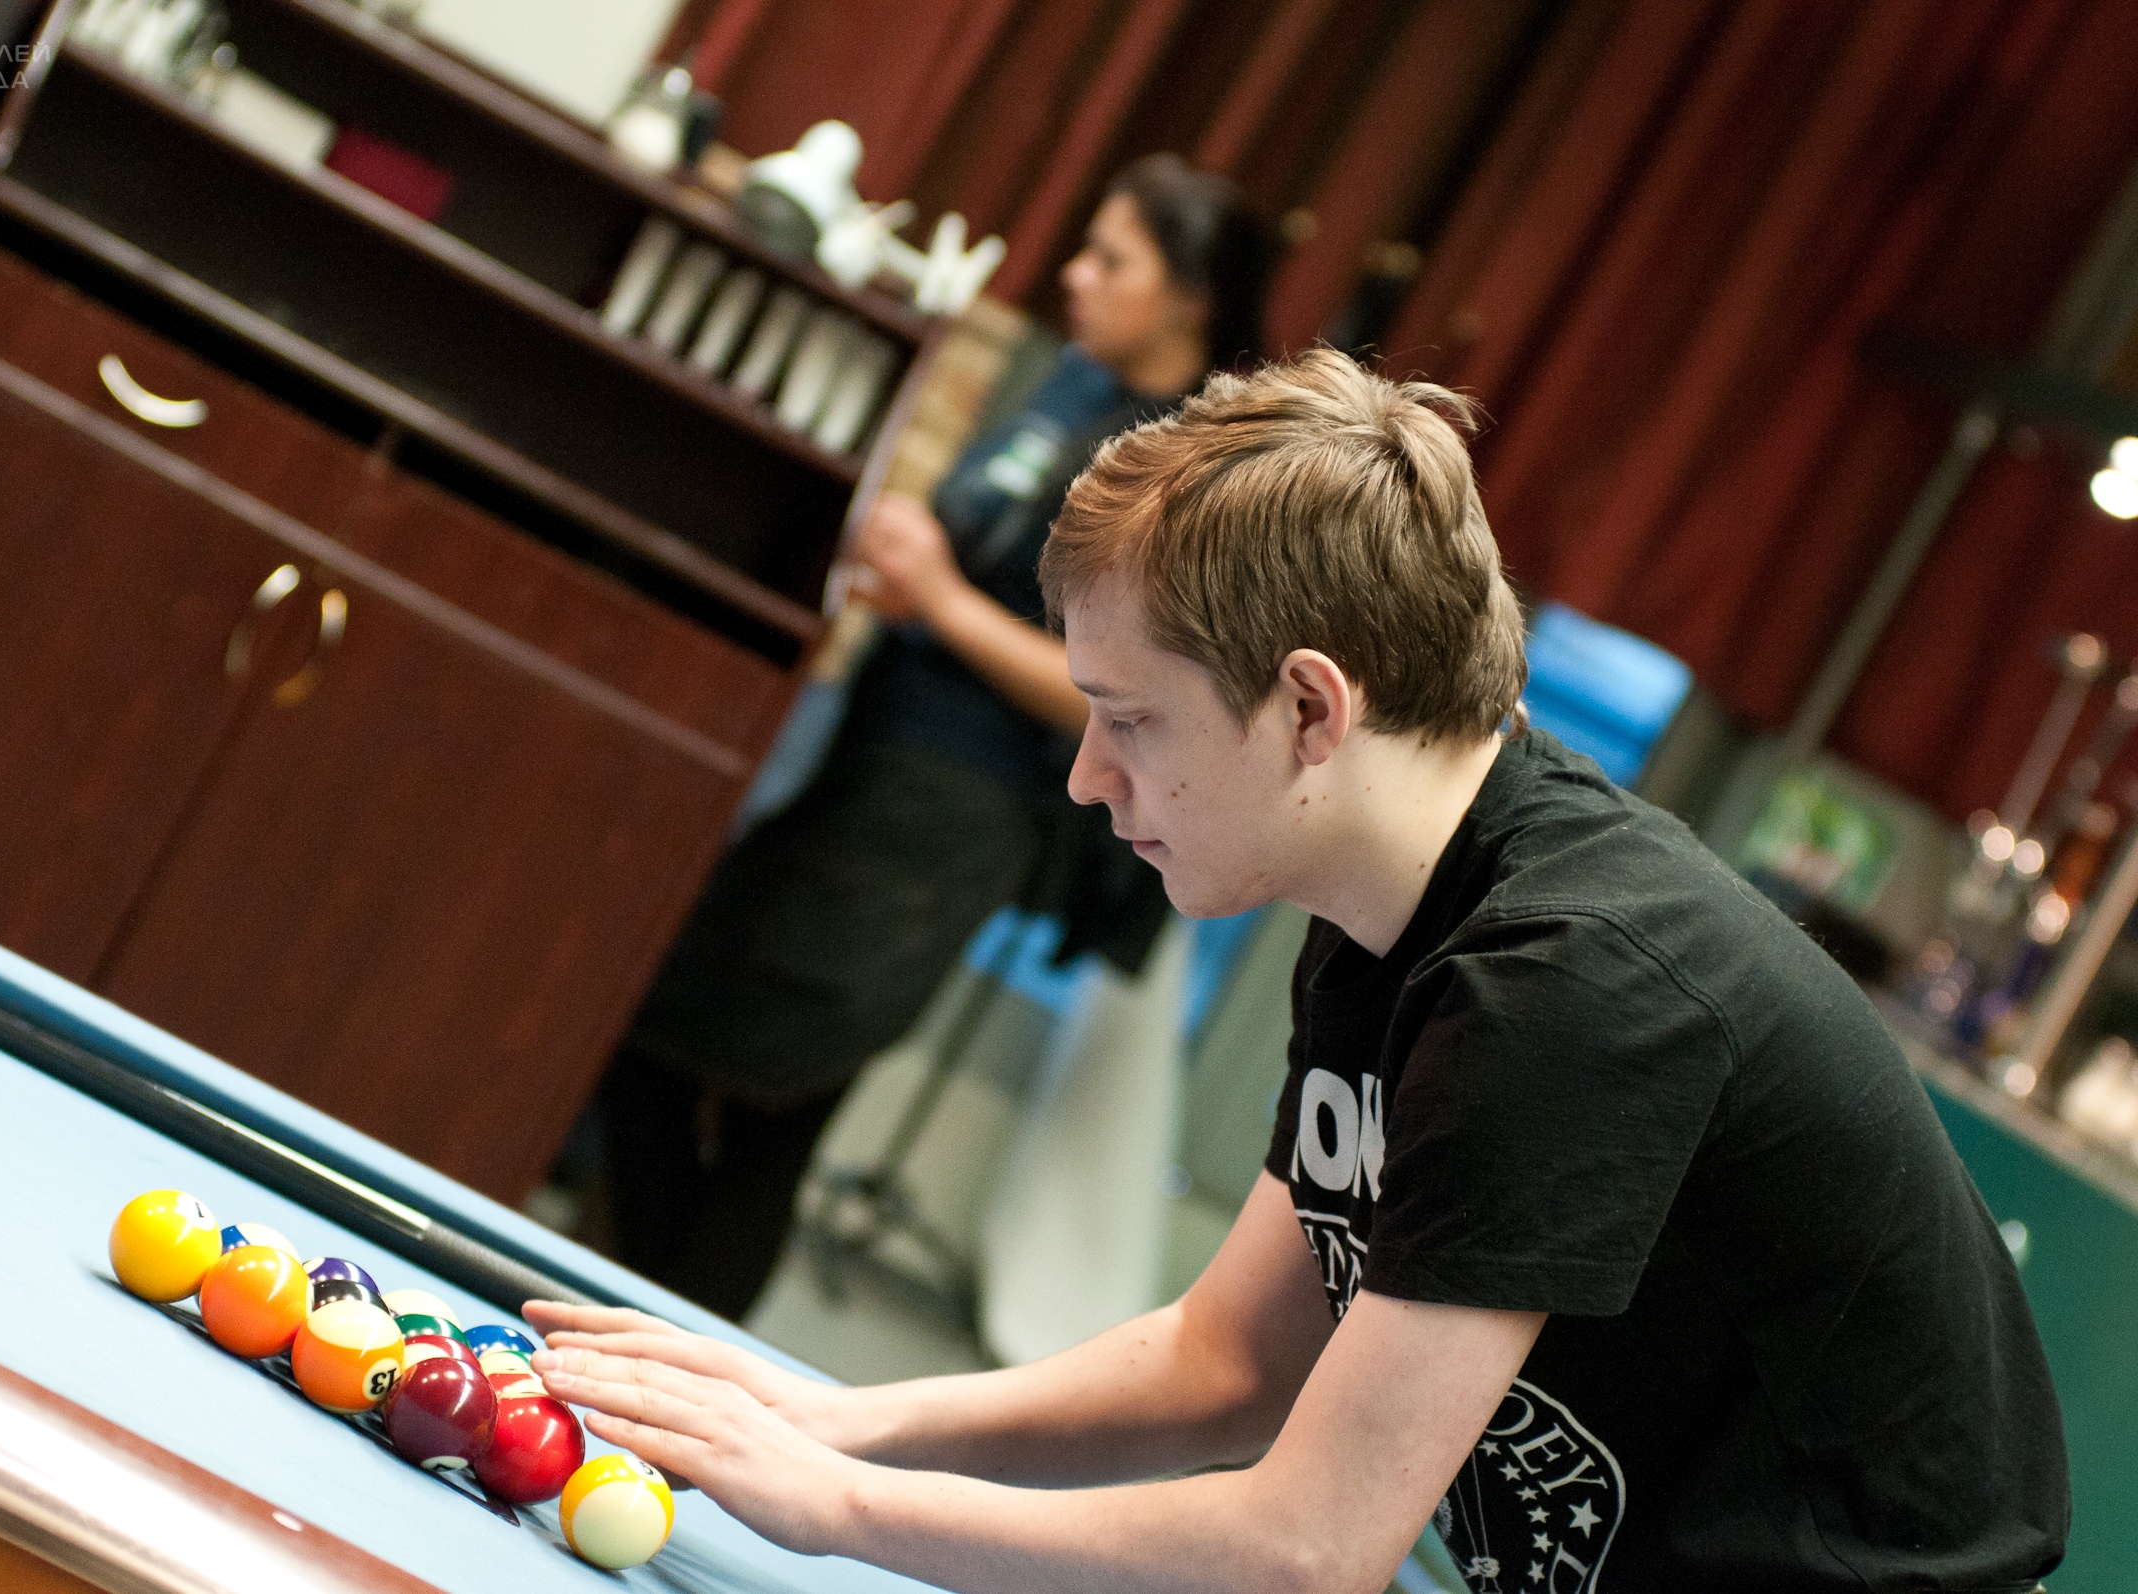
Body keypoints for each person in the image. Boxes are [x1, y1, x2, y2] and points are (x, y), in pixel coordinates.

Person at [527, 349, 2070, 1591]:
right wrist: (839, 1419)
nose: (1087, 777)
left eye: (1131, 719)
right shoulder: (1385, 912)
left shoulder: (1575, 985)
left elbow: (1306, 1547)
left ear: (1313, 709)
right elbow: (1229, 1359)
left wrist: (837, 1506)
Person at [593, 154, 1276, 1320]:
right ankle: (644, 1335)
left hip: (957, 811)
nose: (1076, 274)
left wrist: (942, 599)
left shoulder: (1190, 474)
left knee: (746, 1092)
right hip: (870, 759)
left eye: (1112, 260)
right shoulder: (1076, 385)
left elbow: (1135, 700)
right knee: (685, 1056)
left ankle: (660, 1352)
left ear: (1189, 298)